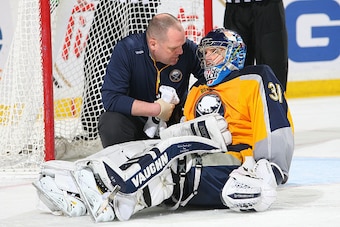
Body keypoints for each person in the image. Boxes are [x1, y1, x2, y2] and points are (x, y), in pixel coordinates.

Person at [32, 28, 294, 222]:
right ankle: (73, 186)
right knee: (142, 149)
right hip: (200, 155)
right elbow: (185, 131)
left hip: (236, 162)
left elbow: (276, 125)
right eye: (204, 53)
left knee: (174, 165)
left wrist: (269, 169)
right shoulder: (197, 90)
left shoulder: (255, 78)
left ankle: (117, 195)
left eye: (216, 52)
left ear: (235, 54)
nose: (207, 58)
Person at [97, 13, 204, 147]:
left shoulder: (187, 50)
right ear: (153, 44)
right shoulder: (127, 50)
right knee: (110, 122)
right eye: (173, 48)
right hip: (136, 123)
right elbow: (111, 99)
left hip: (175, 123)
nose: (181, 51)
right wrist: (156, 109)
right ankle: (123, 164)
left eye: (182, 45)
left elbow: (210, 78)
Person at [79, 0, 160, 141]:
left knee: (141, 61)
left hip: (140, 6)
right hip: (110, 5)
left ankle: (146, 123)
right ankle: (92, 124)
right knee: (97, 57)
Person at [223, 0, 288, 90]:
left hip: (269, 6)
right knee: (235, 70)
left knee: (273, 69)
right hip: (234, 7)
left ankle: (274, 104)